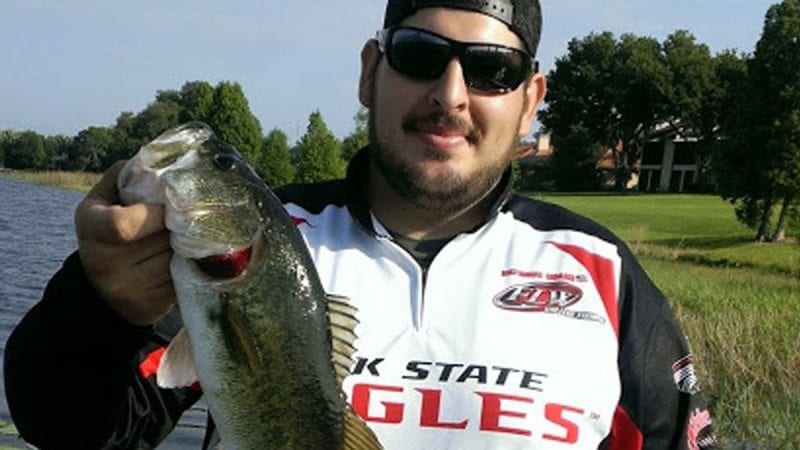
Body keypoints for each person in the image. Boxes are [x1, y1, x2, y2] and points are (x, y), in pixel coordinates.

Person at [4, 0, 718, 448]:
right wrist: (97, 307)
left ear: (531, 100)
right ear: (370, 71)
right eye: (419, 56)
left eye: (492, 70)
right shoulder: (266, 240)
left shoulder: (599, 271)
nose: (450, 95)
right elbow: (80, 433)